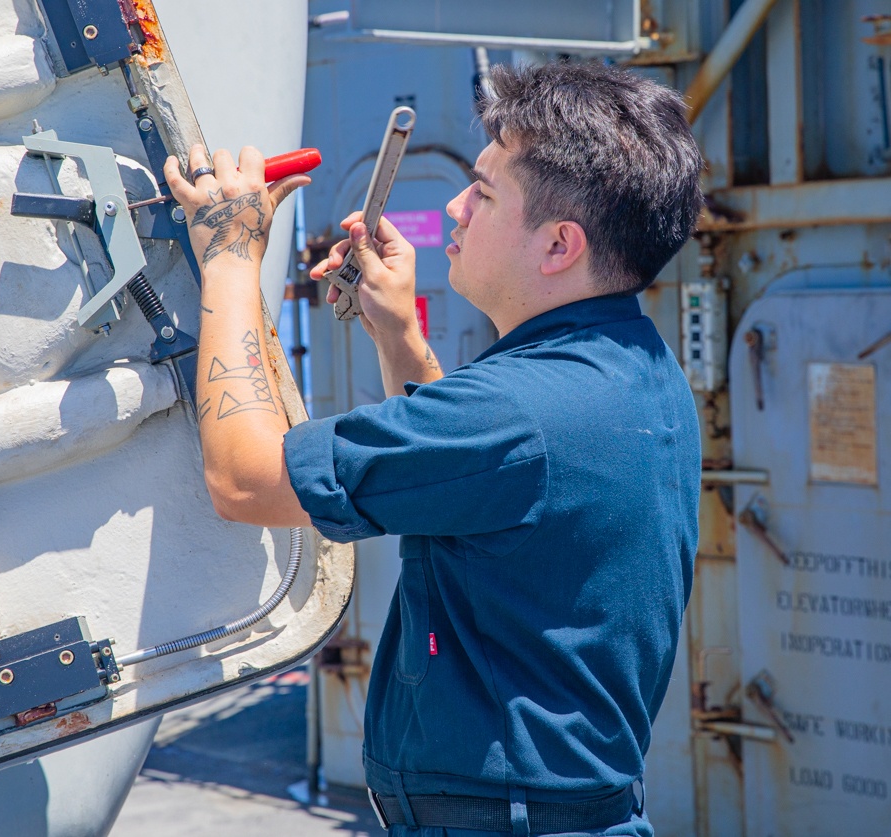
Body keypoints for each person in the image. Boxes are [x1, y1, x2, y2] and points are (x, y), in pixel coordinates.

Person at [164, 60, 703, 837]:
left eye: (483, 194)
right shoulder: (634, 371)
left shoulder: (517, 411)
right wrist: (399, 332)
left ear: (559, 244)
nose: (453, 205)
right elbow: (476, 472)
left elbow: (245, 480)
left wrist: (228, 258)